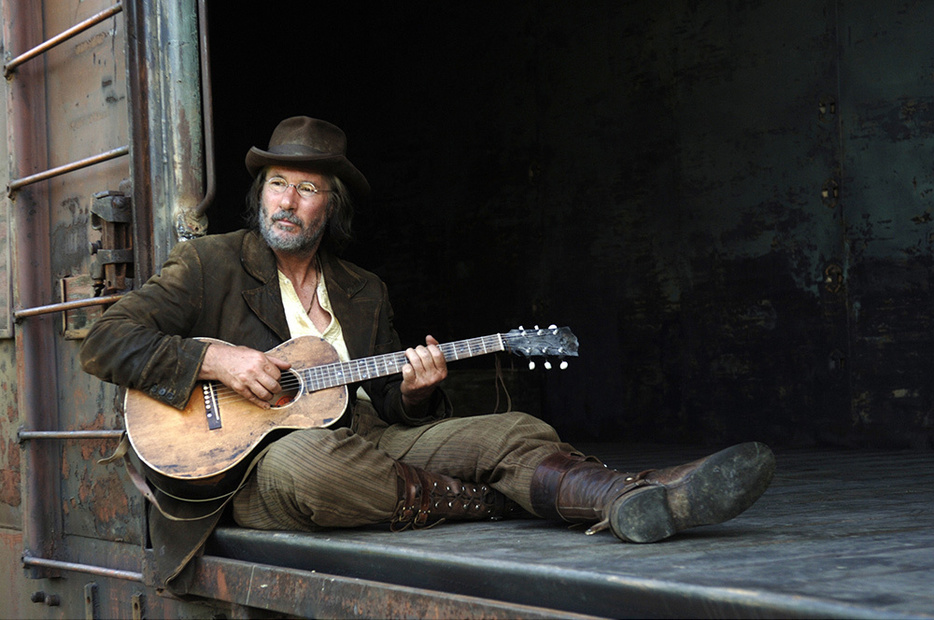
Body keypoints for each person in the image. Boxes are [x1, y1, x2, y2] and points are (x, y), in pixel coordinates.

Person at [79, 116, 775, 593]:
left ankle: (633, 497)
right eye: (278, 184)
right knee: (308, 460)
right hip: (257, 473)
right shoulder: (210, 264)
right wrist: (220, 363)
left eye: (308, 188)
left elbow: (385, 404)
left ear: (333, 204)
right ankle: (504, 503)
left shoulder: (364, 289)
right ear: (260, 192)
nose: (287, 201)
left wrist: (413, 391)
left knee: (517, 431)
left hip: (373, 449)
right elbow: (109, 340)